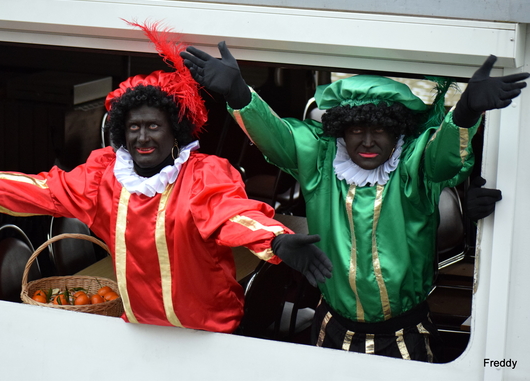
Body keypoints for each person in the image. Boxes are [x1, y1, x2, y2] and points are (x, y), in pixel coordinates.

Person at [0, 23, 332, 334]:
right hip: (137, 330)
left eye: (154, 127)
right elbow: (45, 191)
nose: (142, 137)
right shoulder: (103, 177)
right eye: (134, 127)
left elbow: (232, 214)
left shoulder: (202, 176)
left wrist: (276, 239)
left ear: (176, 132)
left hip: (211, 333)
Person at [181, 43, 529, 359]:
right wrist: (239, 92)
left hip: (404, 334)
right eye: (355, 130)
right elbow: (277, 137)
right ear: (340, 131)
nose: (367, 141)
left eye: (379, 130)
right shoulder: (320, 161)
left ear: (397, 132)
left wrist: (466, 110)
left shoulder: (413, 165)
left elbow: (445, 156)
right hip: (331, 328)